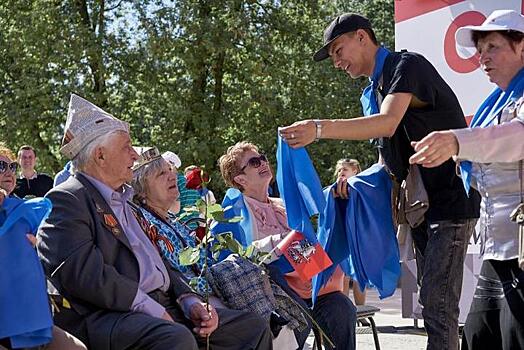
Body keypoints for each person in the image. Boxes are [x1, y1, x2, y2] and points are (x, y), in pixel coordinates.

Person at [280, 13, 481, 350]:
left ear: (362, 37)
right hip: (422, 209)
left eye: (338, 50)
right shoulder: (374, 89)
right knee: (434, 305)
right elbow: (386, 164)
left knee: (438, 306)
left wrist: (319, 128)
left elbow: (387, 123)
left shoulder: (406, 66)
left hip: (449, 202)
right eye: (331, 57)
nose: (336, 62)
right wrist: (352, 184)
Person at [36, 94, 272, 350]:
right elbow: (86, 275)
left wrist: (190, 301)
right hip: (110, 315)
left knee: (252, 328)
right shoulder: (67, 199)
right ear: (100, 156)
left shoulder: (124, 200)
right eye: (126, 147)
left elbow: (157, 263)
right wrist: (152, 309)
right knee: (175, 338)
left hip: (159, 305)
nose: (134, 157)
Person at [409, 9, 524, 350]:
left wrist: (458, 141)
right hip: (499, 248)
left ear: (522, 47)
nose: (483, 57)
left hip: (521, 250)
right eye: (480, 50)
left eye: (493, 46)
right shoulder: (496, 102)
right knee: (477, 335)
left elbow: (519, 137)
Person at [131, 146, 299, 349]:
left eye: (170, 171)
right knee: (260, 324)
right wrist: (193, 302)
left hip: (216, 291)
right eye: (161, 174)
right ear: (142, 189)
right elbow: (169, 273)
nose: (172, 177)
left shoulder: (172, 221)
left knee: (287, 316)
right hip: (188, 304)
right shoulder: (144, 223)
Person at [217, 141, 357, 350]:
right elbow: (235, 260)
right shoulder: (231, 213)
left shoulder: (284, 205)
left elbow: (310, 251)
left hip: (310, 289)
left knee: (342, 307)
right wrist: (282, 243)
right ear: (240, 179)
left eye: (262, 157)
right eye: (254, 162)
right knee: (296, 314)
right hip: (271, 296)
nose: (263, 162)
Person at [0, 143, 87, 350]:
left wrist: (39, 246)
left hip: (32, 319)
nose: (9, 172)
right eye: (1, 166)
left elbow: (55, 249)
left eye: (12, 166)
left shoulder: (26, 212)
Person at [333, 158, 367, 306]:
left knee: (359, 275)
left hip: (358, 237)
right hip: (342, 237)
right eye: (339, 170)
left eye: (345, 169)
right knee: (343, 275)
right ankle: (346, 309)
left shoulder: (360, 187)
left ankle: (361, 309)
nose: (341, 172)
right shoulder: (334, 189)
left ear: (355, 170)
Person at [162, 151, 201, 228]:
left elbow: (175, 210)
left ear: (171, 165)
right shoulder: (188, 182)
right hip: (194, 227)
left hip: (182, 228)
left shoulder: (174, 181)